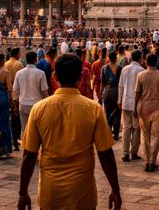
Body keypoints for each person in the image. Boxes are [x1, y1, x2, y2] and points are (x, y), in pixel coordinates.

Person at [18, 53, 122, 210]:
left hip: (51, 192)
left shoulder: (39, 109)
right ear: (80, 77)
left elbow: (29, 155)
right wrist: (115, 190)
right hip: (82, 193)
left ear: (55, 76)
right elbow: (105, 154)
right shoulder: (94, 109)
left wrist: (22, 192)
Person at [134, 53, 159, 172]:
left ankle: (147, 161)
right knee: (155, 135)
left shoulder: (141, 75)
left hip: (144, 107)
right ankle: (152, 161)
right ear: (156, 62)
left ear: (146, 62)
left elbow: (137, 93)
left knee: (145, 135)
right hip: (157, 107)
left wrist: (134, 108)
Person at [12, 50, 49, 138]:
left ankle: (26, 149)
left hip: (23, 104)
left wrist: (15, 106)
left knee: (24, 128)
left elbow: (15, 91)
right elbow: (45, 92)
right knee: (36, 129)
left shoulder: (19, 73)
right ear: (36, 60)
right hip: (36, 105)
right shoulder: (40, 73)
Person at [118, 49, 144, 161]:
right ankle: (133, 152)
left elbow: (121, 86)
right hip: (136, 104)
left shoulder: (125, 69)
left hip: (125, 101)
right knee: (136, 128)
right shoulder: (142, 71)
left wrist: (119, 99)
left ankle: (125, 153)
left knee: (126, 127)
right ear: (139, 58)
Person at [4, 47, 25, 152]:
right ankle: (15, 141)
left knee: (9, 118)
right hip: (16, 94)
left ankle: (11, 140)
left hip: (6, 93)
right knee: (16, 119)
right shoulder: (19, 65)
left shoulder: (5, 64)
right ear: (17, 54)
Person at [101, 52, 122, 139]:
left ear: (108, 58)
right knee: (117, 112)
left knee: (107, 112)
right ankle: (116, 133)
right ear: (116, 58)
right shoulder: (120, 68)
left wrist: (100, 93)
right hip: (117, 92)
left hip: (107, 91)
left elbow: (102, 83)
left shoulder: (104, 68)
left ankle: (108, 132)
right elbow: (122, 83)